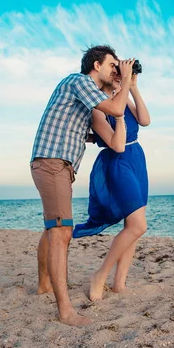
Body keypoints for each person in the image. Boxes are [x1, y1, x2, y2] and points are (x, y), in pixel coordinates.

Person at [30, 45, 135, 326]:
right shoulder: (78, 81)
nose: (116, 69)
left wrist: (123, 90)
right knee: (62, 232)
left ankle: (43, 285)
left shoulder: (87, 101)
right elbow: (114, 106)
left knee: (53, 227)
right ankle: (65, 311)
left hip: (58, 165)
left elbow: (116, 141)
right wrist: (124, 81)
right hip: (52, 162)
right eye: (112, 64)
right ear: (96, 65)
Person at [72, 68, 150, 301]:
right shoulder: (97, 108)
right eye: (115, 70)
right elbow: (115, 142)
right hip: (116, 162)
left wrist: (133, 87)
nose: (118, 74)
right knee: (138, 225)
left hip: (136, 158)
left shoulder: (124, 96)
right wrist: (120, 102)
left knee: (132, 227)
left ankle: (119, 283)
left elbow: (145, 120)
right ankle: (100, 275)